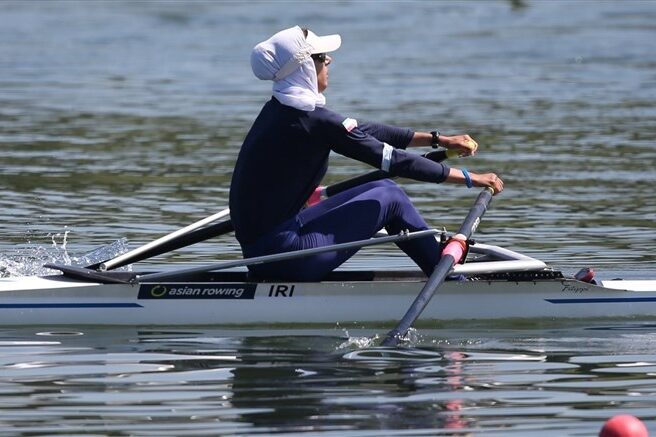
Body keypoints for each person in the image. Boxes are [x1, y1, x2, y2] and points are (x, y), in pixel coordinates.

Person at [229, 26, 504, 281]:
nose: (329, 62)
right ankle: (450, 280)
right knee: (392, 197)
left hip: (268, 249)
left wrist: (437, 139)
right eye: (322, 57)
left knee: (382, 185)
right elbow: (394, 160)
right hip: (284, 257)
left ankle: (440, 267)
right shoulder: (312, 121)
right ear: (304, 67)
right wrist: (471, 178)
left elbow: (362, 130)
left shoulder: (282, 110)